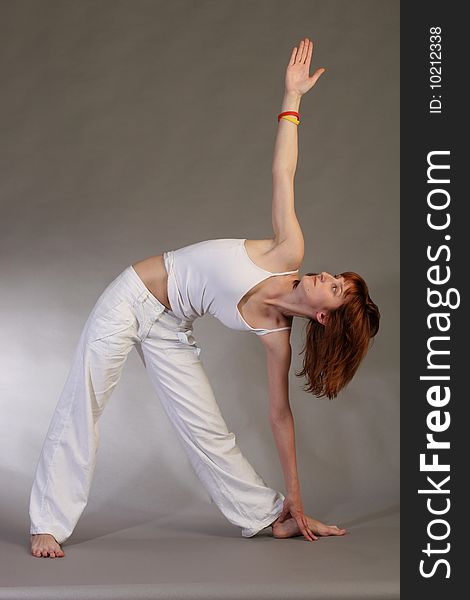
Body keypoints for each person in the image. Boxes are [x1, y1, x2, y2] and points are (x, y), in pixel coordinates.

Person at [30, 37, 380, 558]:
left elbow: (280, 418)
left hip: (171, 328)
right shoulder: (289, 250)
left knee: (210, 433)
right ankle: (47, 523)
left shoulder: (276, 337)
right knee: (86, 401)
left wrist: (298, 503)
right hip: (130, 298)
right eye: (334, 276)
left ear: (326, 317)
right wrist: (293, 99)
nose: (325, 274)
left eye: (334, 286)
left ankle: (269, 516)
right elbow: (283, 172)